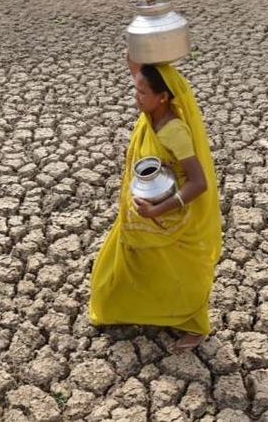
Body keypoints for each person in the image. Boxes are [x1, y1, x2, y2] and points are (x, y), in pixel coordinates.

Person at [88, 54, 223, 352]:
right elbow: (134, 61)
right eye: (136, 89)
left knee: (175, 273)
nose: (136, 97)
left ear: (163, 97)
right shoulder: (151, 115)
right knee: (125, 268)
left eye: (142, 93)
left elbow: (199, 183)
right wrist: (146, 23)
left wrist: (157, 210)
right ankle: (121, 309)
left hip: (167, 216)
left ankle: (193, 324)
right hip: (140, 215)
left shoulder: (174, 131)